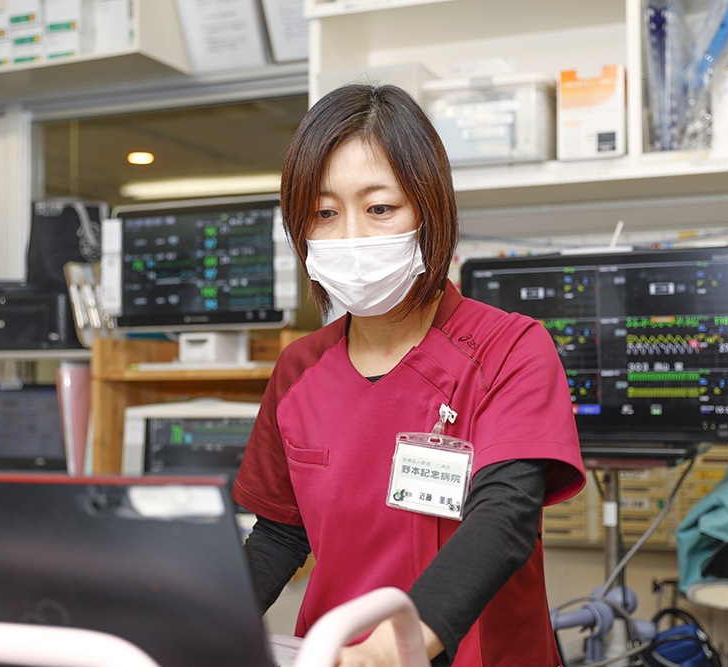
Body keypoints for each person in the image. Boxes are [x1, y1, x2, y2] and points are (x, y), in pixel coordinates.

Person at [231, 83, 586, 667]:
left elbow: (503, 517)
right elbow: (280, 534)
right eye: (324, 213)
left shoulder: (510, 348)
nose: (351, 236)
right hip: (336, 655)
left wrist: (396, 646)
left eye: (380, 209)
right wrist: (195, 627)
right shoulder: (299, 370)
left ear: (429, 209)